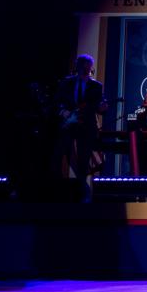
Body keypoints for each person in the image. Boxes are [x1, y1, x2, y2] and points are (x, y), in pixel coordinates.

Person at [52, 54, 107, 201]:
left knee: (83, 161)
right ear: (78, 66)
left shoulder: (96, 86)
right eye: (82, 64)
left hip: (86, 128)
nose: (85, 68)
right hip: (68, 124)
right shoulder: (66, 83)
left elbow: (100, 106)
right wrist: (63, 112)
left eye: (87, 65)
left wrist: (102, 108)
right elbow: (57, 101)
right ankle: (58, 192)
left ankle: (82, 193)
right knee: (58, 156)